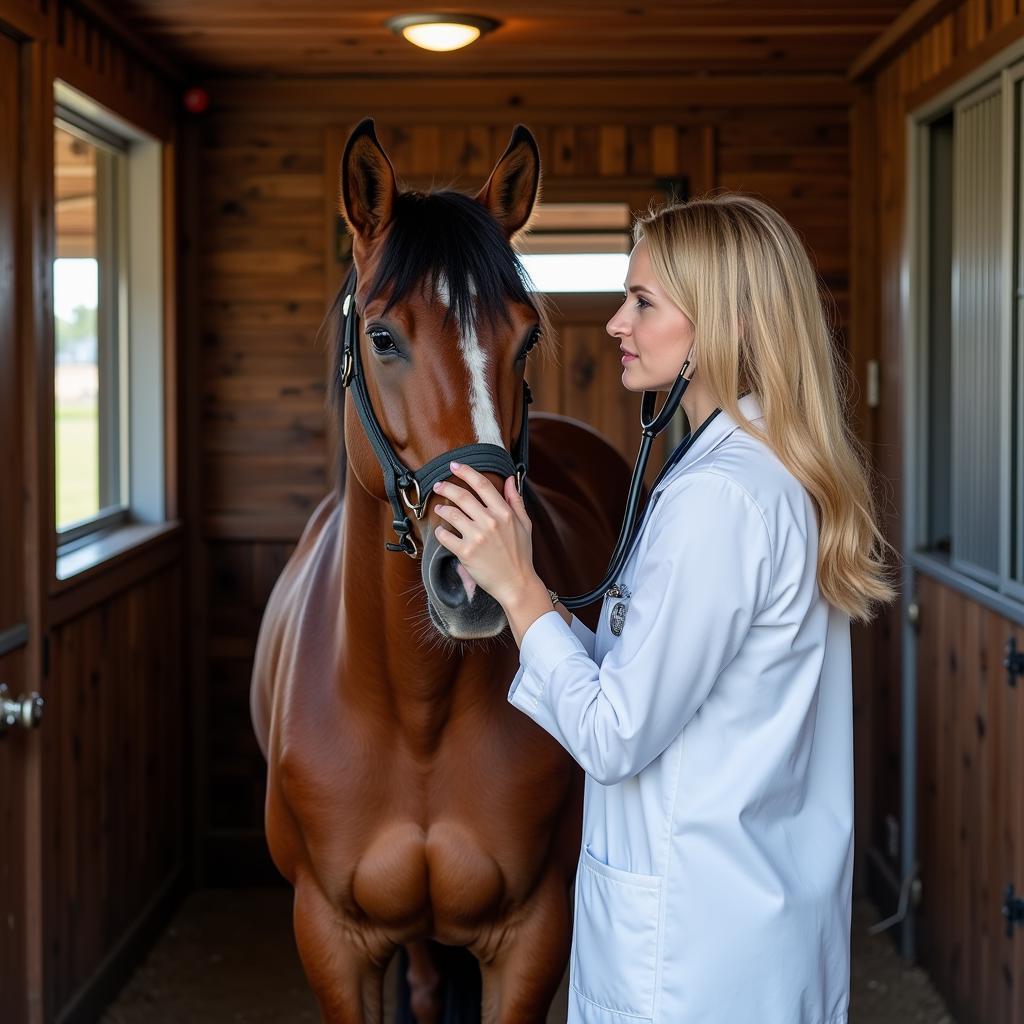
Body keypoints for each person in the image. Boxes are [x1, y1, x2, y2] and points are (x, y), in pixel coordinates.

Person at [431, 194, 897, 1024]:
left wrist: (522, 592)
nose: (616, 323)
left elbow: (615, 733)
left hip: (689, 957)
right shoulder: (752, 471)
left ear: (730, 322)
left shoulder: (719, 497)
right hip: (745, 928)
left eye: (643, 302)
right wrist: (523, 589)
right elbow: (651, 670)